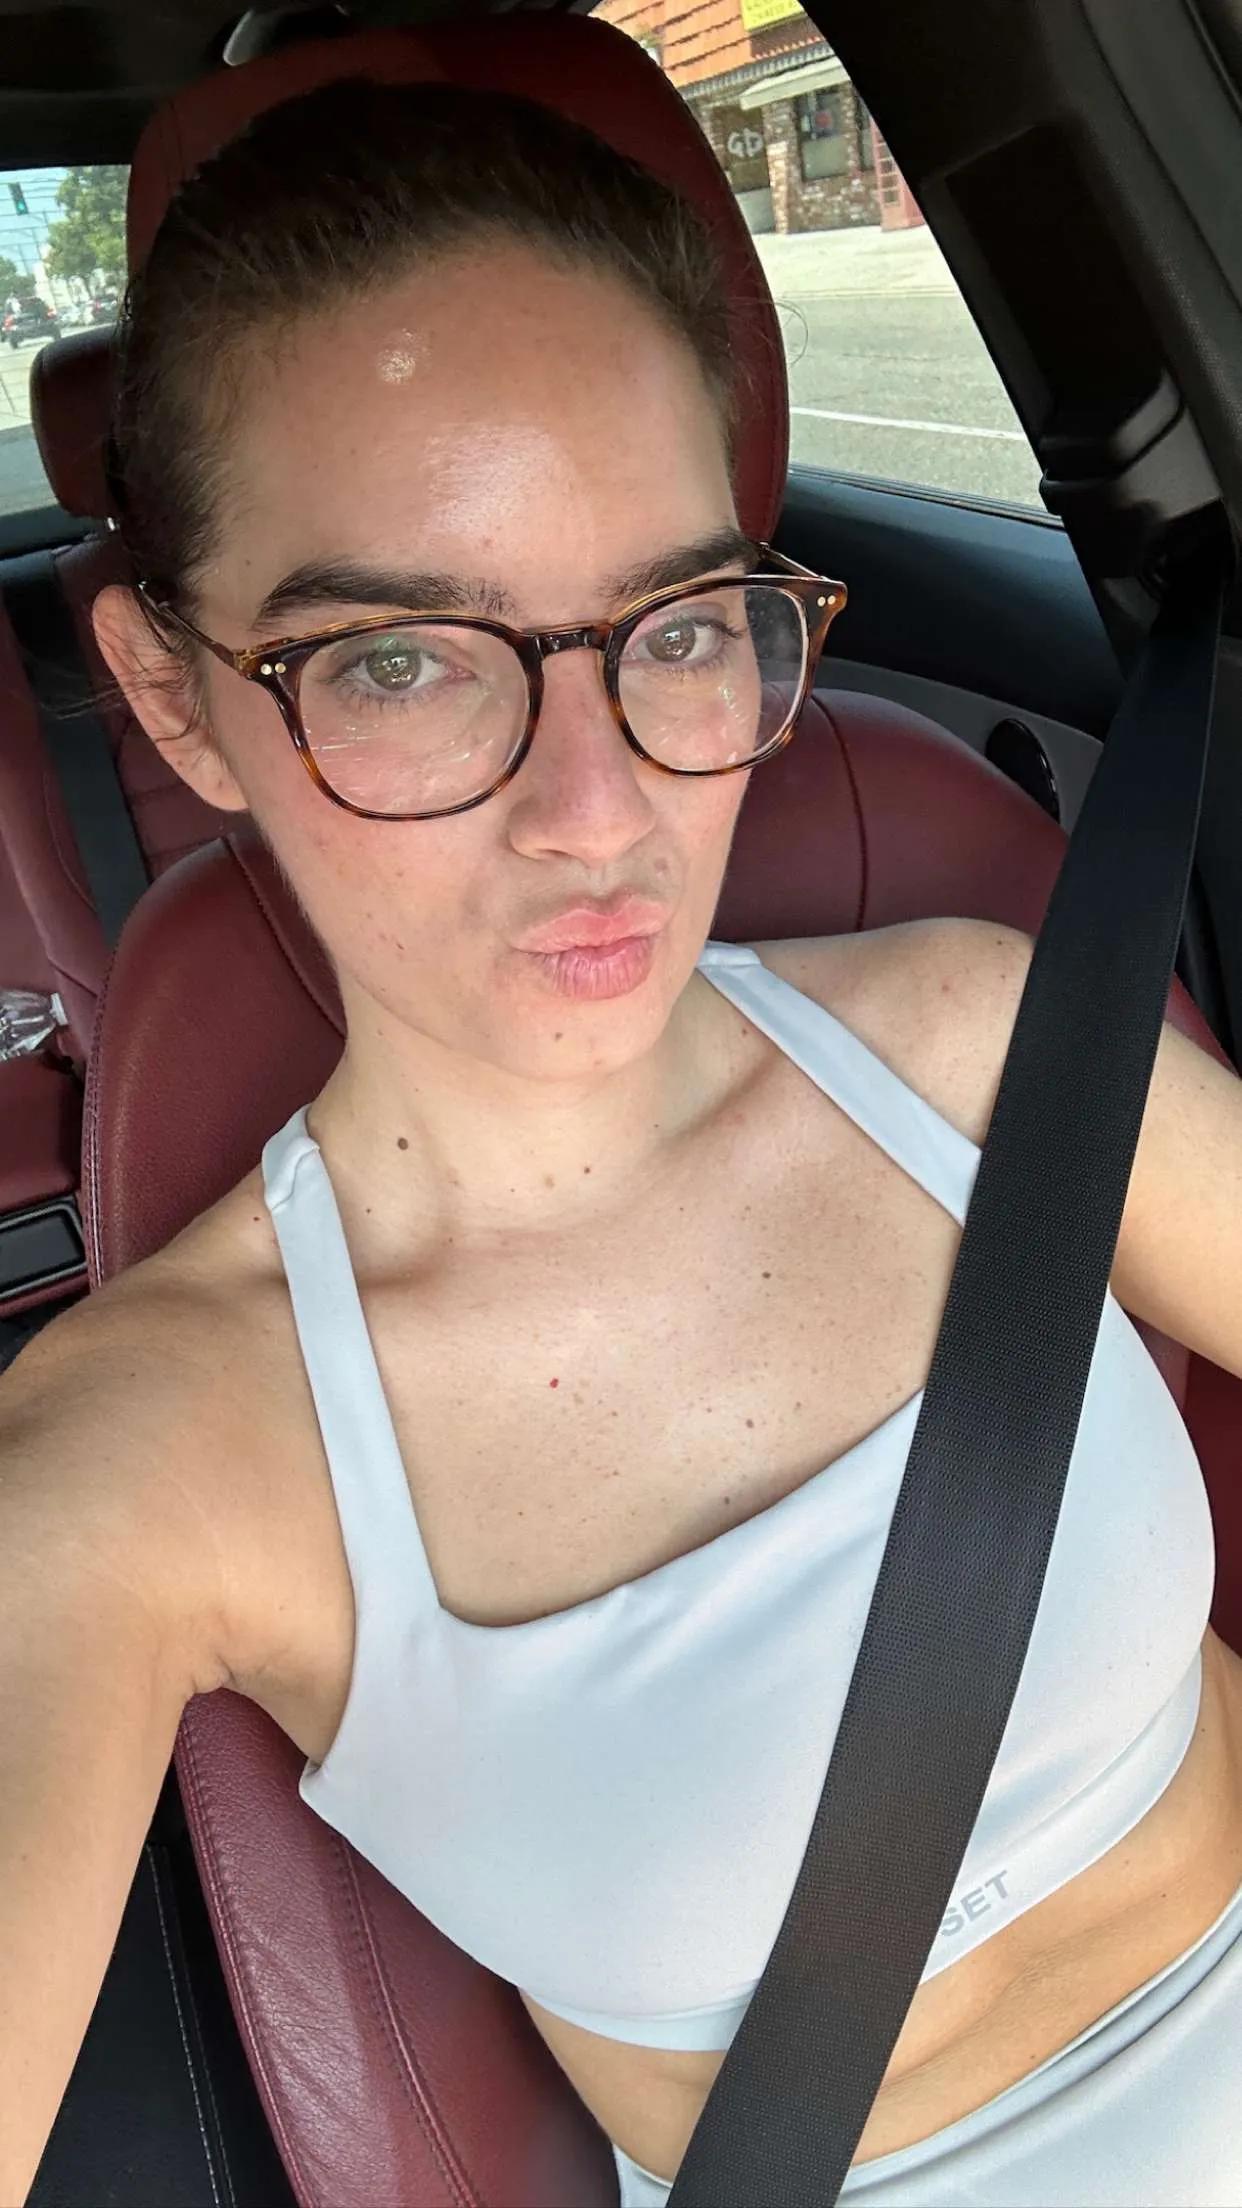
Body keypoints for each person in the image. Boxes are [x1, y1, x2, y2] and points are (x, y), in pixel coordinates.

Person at [3, 74, 1242, 2208]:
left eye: (675, 629)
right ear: (178, 691)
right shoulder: (152, 1457)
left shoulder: (982, 1036)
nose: (598, 816)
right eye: (400, 660)